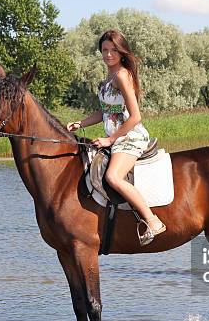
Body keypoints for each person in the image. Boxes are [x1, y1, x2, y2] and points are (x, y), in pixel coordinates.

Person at [66, 30, 166, 246]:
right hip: (117, 137)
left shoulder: (122, 75)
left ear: (122, 53)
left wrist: (110, 140)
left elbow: (135, 116)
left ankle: (152, 221)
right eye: (105, 50)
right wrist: (80, 123)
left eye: (113, 50)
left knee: (113, 177)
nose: (108, 54)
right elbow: (105, 112)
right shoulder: (108, 77)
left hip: (130, 137)